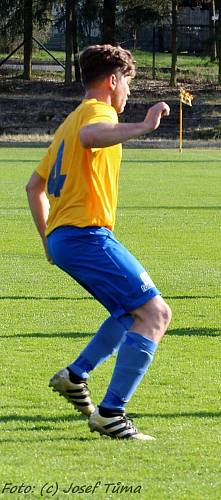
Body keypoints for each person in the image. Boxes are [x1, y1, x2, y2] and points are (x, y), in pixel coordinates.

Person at [25, 45, 172, 440]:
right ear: (112, 81)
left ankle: (76, 375)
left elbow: (34, 186)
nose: (127, 92)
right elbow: (94, 136)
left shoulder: (67, 123)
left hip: (65, 238)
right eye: (128, 82)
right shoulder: (95, 113)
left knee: (129, 312)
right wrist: (144, 127)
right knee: (156, 314)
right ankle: (111, 414)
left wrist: (47, 241)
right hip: (85, 235)